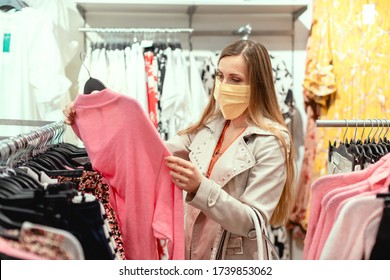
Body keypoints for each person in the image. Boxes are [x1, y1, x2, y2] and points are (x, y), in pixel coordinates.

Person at [63, 39, 296, 260]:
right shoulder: (209, 127)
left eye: (235, 79)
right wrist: (92, 119)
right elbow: (150, 153)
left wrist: (200, 188)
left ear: (257, 85)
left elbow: (252, 221)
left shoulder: (271, 141)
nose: (223, 86)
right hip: (190, 253)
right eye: (220, 76)